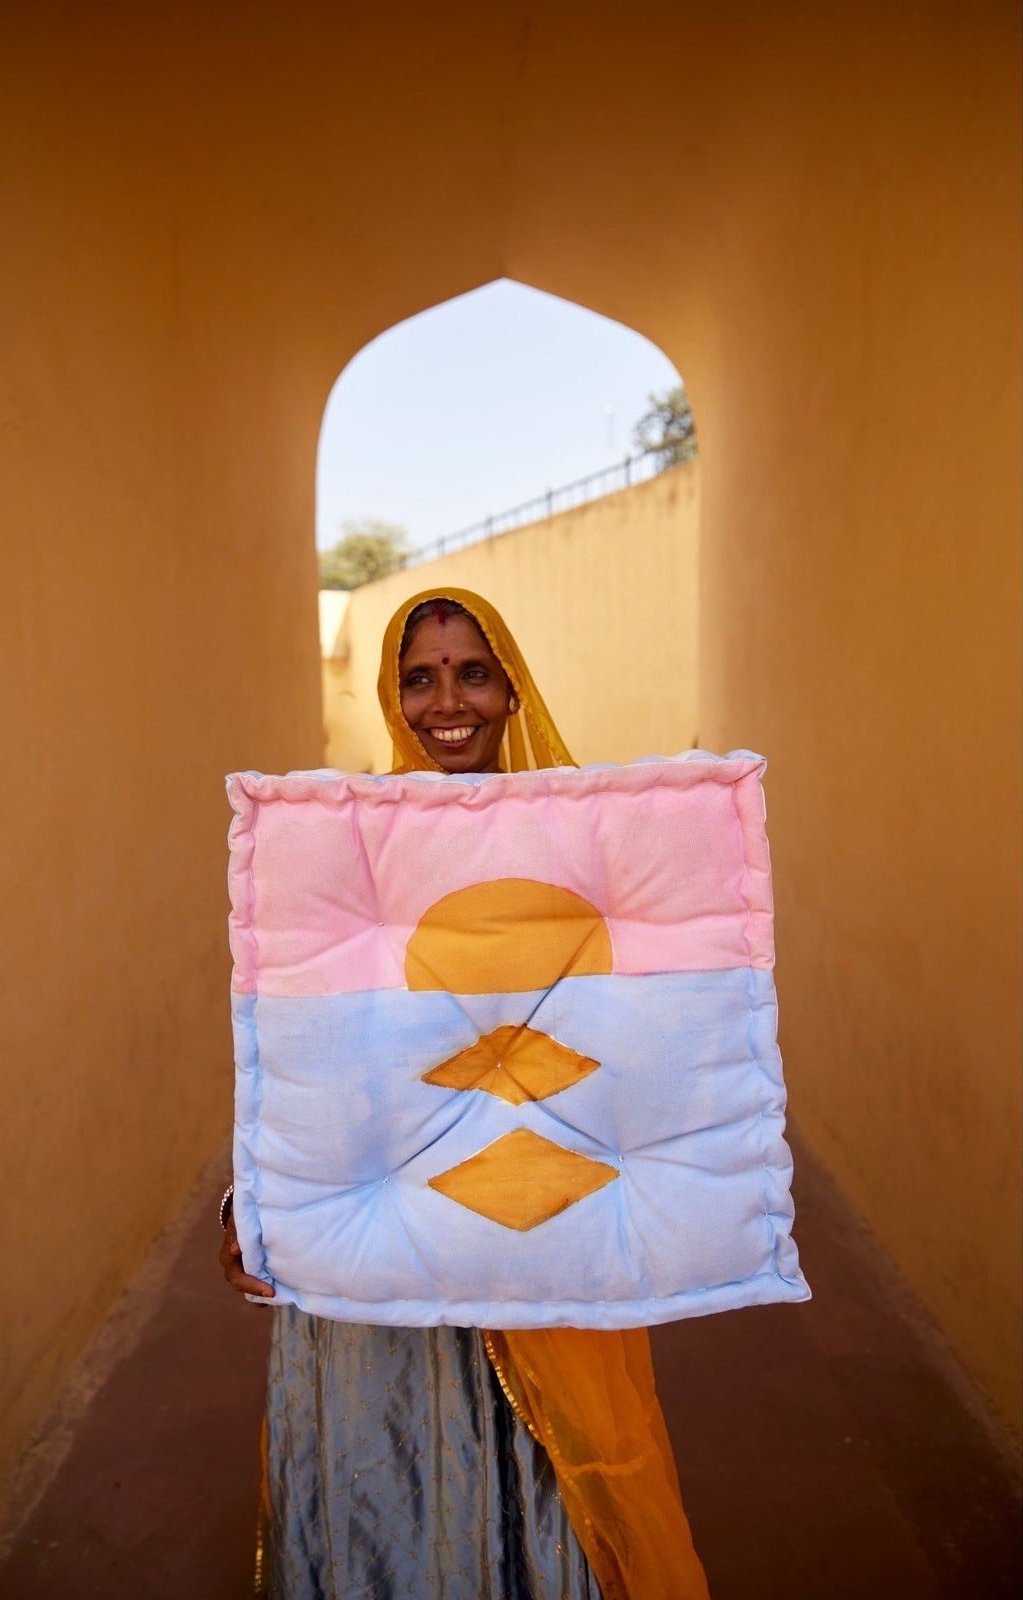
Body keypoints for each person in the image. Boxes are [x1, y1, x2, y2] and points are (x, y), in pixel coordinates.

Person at [220, 588, 710, 1600]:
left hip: (533, 1246)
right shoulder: (345, 848)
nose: (449, 701)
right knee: (387, 1490)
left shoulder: (581, 849)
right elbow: (300, 1052)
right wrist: (256, 1199)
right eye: (420, 676)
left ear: (510, 685)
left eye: (472, 671)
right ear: (392, 698)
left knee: (550, 1489)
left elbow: (636, 1049)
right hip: (380, 1267)